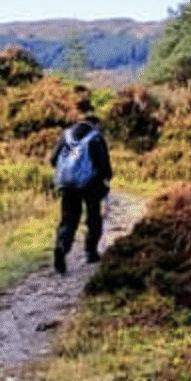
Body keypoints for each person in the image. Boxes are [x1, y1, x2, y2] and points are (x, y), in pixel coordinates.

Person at [47, 115, 112, 274]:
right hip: (91, 185)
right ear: (95, 124)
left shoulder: (66, 135)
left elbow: (53, 160)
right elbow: (104, 165)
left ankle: (61, 248)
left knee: (68, 219)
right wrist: (106, 179)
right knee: (93, 217)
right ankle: (91, 253)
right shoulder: (96, 137)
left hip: (68, 185)